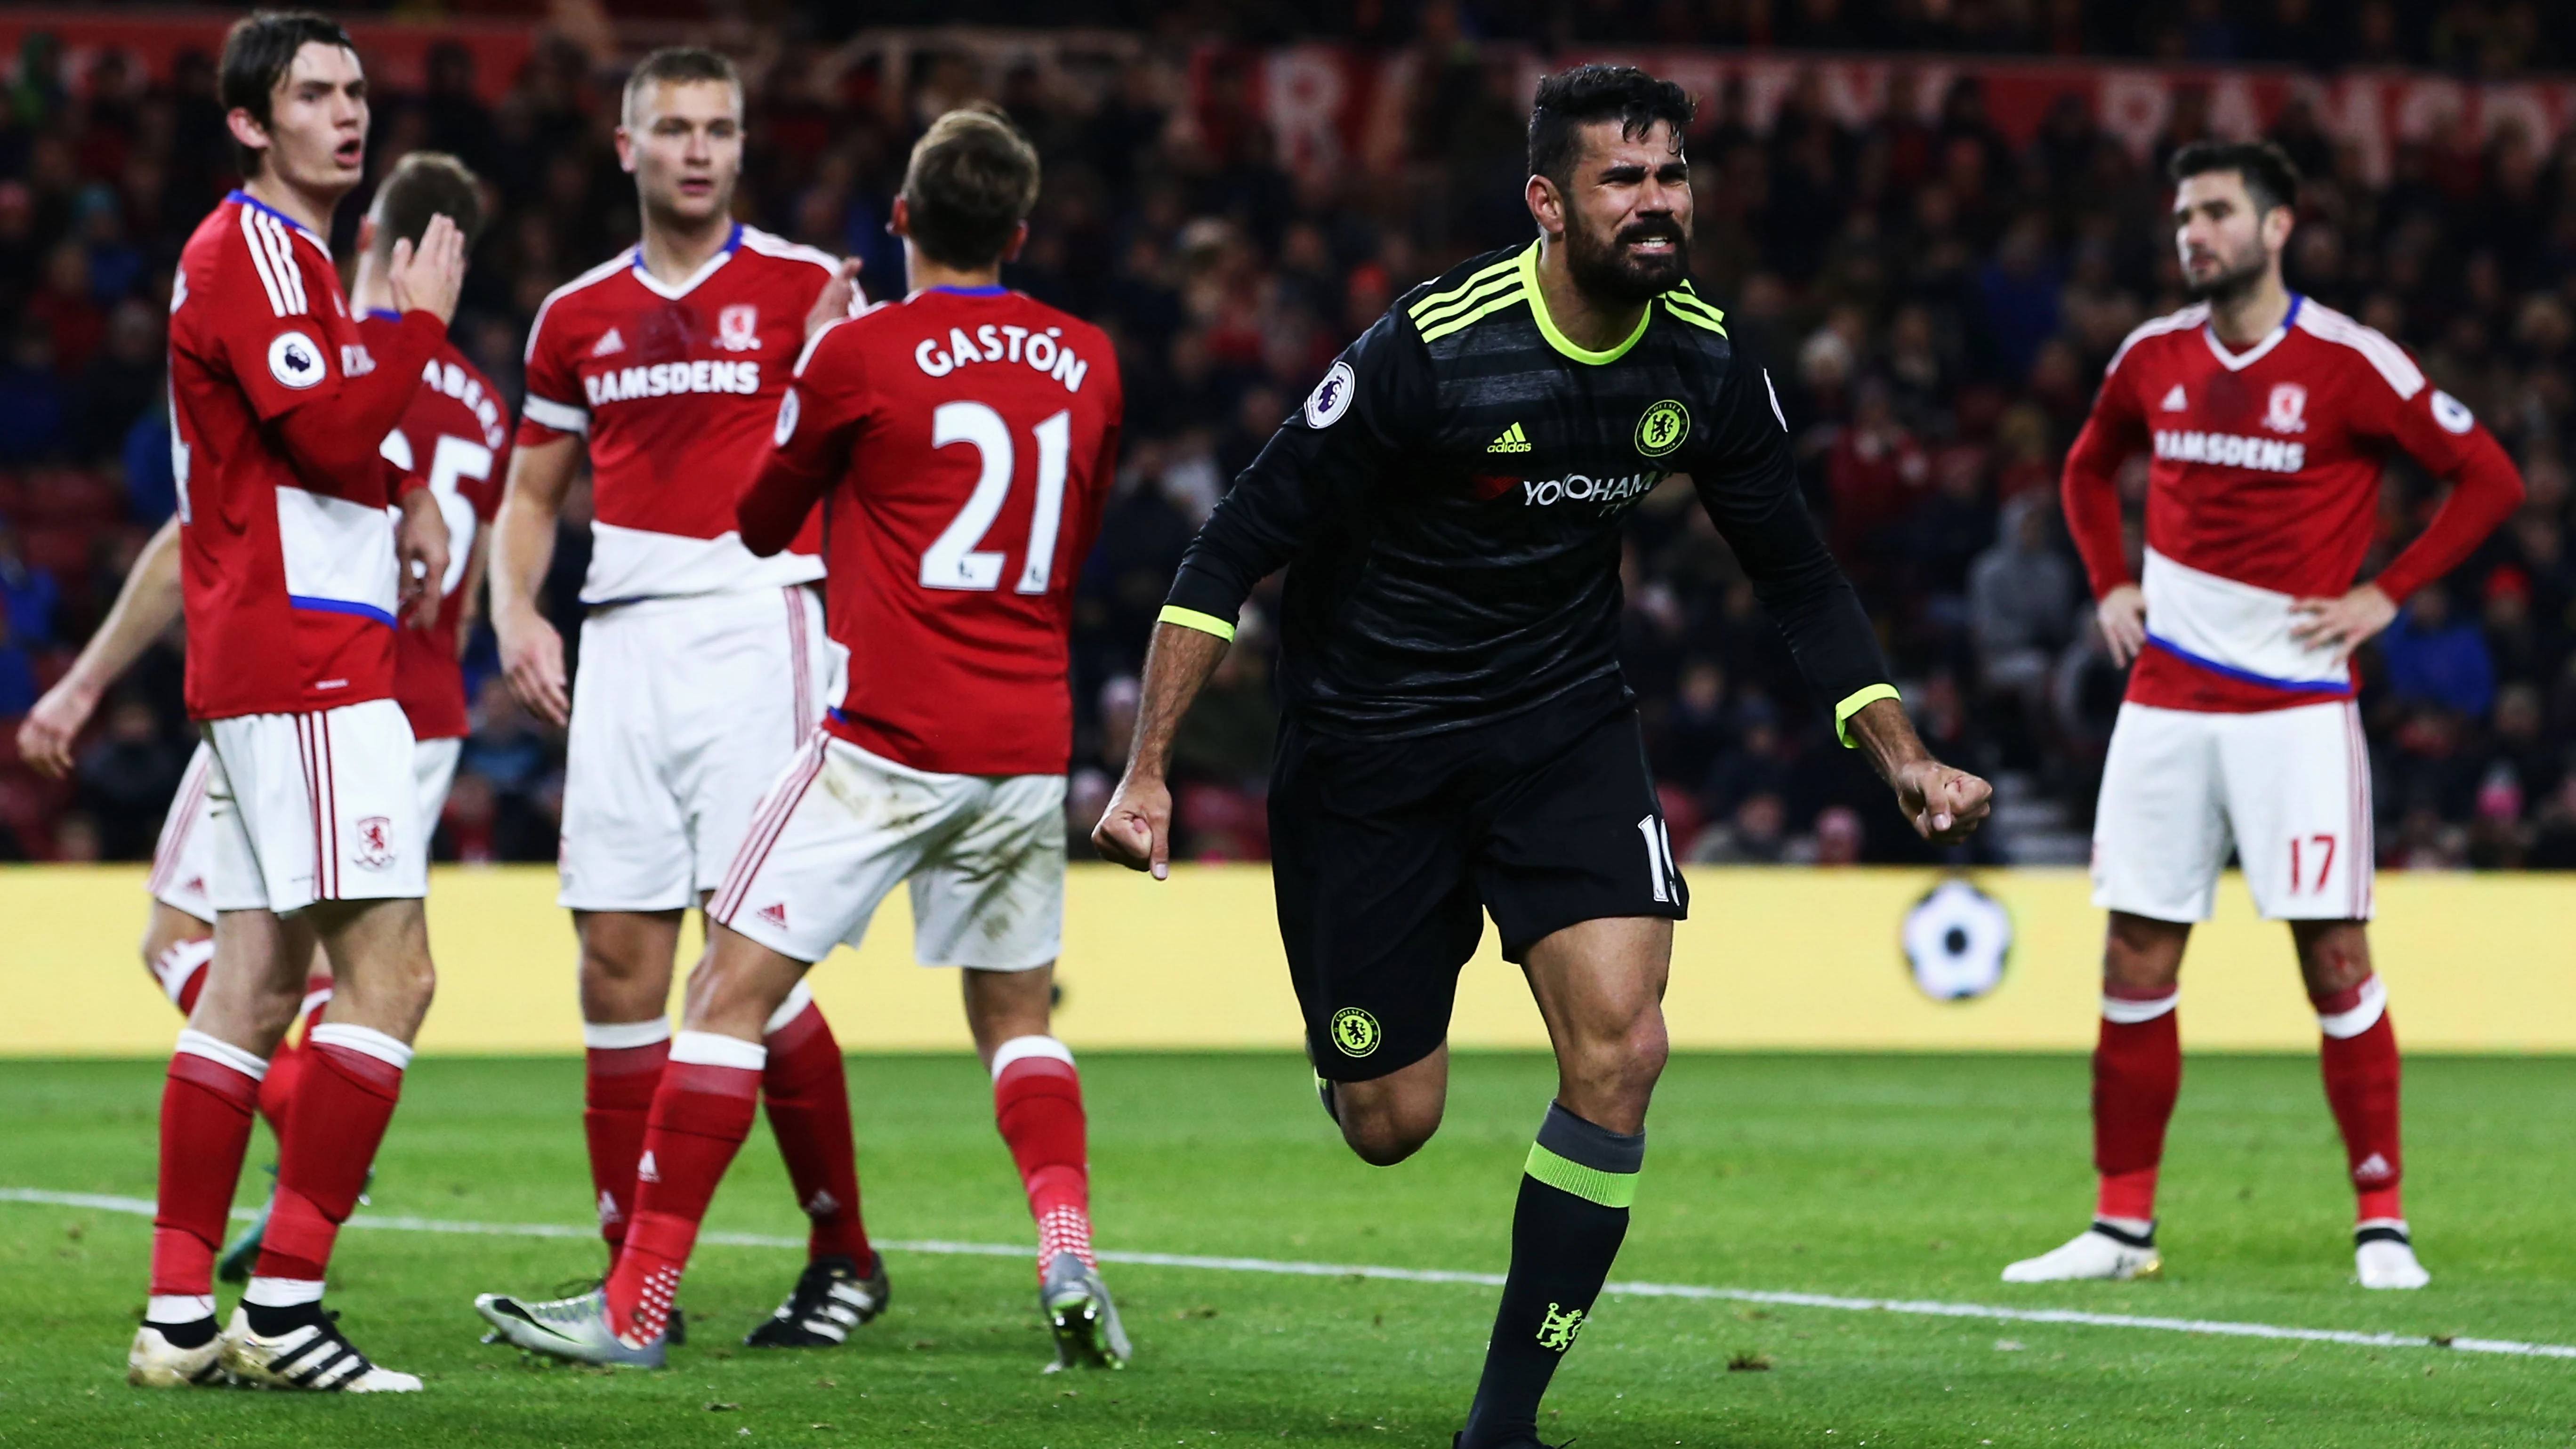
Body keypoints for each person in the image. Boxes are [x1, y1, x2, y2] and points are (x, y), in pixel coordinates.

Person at [1092, 66, 1990, 1447]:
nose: (1656, 203)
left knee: (1625, 1047)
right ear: (1547, 202)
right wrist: (1147, 767)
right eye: (1622, 179)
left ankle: (1501, 1419)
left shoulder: (1700, 357)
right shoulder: (1434, 346)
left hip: (1558, 720)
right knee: (1392, 1118)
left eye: (1672, 175)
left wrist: (1904, 756)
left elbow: (1799, 576)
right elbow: (1235, 542)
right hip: (1371, 743)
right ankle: (1376, 1009)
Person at [475, 105, 1131, 1374]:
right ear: (1021, 228)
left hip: (887, 738)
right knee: (1015, 1015)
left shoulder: (860, 352)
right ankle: (1065, 1239)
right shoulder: (1090, 358)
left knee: (723, 990)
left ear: (900, 222)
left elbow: (765, 523)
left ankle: (639, 1304)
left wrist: (819, 376)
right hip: (1025, 741)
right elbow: (1078, 536)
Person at [2013, 140, 2523, 1291]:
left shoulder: (2351, 362)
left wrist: (2386, 593)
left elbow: (2489, 475)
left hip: (2296, 707)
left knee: (2334, 959)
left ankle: (2382, 1220)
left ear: (2278, 226)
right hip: (2166, 700)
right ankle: (2120, 1228)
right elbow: (2088, 472)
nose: (2193, 233)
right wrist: (2108, 581)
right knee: (2136, 951)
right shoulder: (2151, 356)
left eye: (2216, 213)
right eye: (2183, 216)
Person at [19, 148, 510, 1289]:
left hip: (317, 677)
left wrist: (86, 682)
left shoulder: (345, 348)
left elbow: (212, 519)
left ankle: (277, 1240)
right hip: (408, 701)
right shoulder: (477, 400)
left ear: (385, 236)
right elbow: (464, 579)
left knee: (230, 963)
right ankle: (234, 1283)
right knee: (315, 981)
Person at [490, 46, 879, 1347]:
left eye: (719, 127)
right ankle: (625, 1285)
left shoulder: (804, 287)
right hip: (621, 644)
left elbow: (877, 461)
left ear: (742, 145)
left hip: (756, 626)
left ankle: (843, 1251)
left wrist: (840, 364)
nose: (699, 148)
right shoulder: (573, 314)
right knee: (615, 958)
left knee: (746, 959)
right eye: (674, 128)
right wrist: (514, 609)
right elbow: (533, 492)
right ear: (627, 148)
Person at [129, 11, 465, 1393]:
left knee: (255, 988)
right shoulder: (248, 254)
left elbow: (314, 459)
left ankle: (176, 1318)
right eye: (313, 94)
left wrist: (401, 491)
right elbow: (325, 427)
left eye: (356, 91)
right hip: (309, 663)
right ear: (249, 122)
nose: (348, 113)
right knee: (396, 974)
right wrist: (420, 332)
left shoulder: (298, 263)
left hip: (280, 654)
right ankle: (287, 1300)